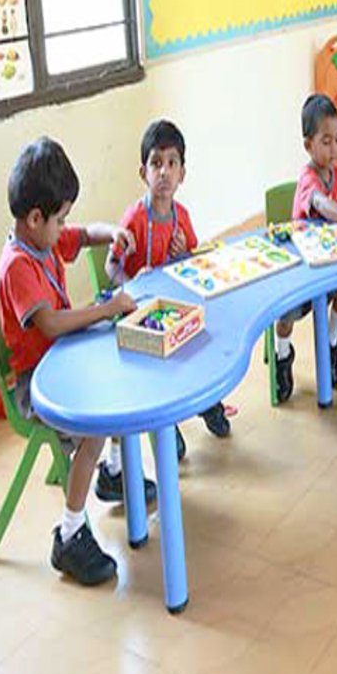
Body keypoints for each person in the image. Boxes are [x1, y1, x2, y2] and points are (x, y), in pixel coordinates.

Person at [0, 138, 143, 586]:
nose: (65, 227)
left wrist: (110, 231)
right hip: (35, 386)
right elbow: (53, 324)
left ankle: (114, 476)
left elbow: (80, 234)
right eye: (59, 218)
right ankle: (70, 533)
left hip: (62, 366)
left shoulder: (42, 240)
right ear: (35, 218)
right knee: (98, 425)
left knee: (123, 390)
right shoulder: (17, 265)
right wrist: (104, 309)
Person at [106, 120, 230, 465]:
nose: (164, 172)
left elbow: (192, 263)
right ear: (142, 171)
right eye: (156, 163)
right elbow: (110, 267)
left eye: (172, 163)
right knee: (158, 367)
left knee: (201, 342)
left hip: (177, 308)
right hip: (144, 315)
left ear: (183, 173)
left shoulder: (182, 217)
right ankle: (168, 422)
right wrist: (132, 281)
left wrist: (182, 257)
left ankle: (207, 402)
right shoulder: (133, 219)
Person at [274, 95, 337, 404]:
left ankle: (330, 343)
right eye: (326, 141)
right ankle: (282, 354)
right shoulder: (308, 178)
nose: (334, 149)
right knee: (285, 314)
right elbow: (319, 203)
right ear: (308, 145)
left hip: (327, 268)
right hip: (302, 275)